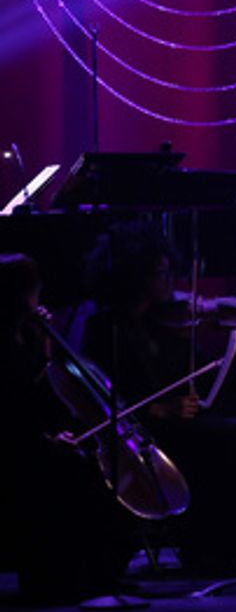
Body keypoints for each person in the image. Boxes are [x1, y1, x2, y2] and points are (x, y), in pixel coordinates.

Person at [81, 222, 236, 572]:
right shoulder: (104, 328)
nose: (171, 282)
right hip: (144, 438)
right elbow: (106, 397)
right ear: (135, 278)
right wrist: (160, 408)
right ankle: (212, 546)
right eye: (161, 274)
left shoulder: (158, 322)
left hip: (180, 425)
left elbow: (185, 375)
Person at [0, 253, 136, 604]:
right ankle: (69, 577)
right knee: (80, 476)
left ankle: (97, 574)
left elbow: (43, 391)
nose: (38, 301)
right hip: (17, 452)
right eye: (33, 293)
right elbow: (14, 412)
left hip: (32, 442)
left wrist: (42, 341)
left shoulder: (21, 338)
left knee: (93, 471)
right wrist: (46, 442)